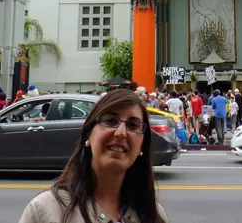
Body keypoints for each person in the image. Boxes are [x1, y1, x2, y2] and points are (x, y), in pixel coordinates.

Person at [19, 89, 168, 223]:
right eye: (111, 121)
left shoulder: (154, 215)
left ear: (142, 145)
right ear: (89, 134)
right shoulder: (46, 211)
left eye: (133, 125)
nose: (121, 133)